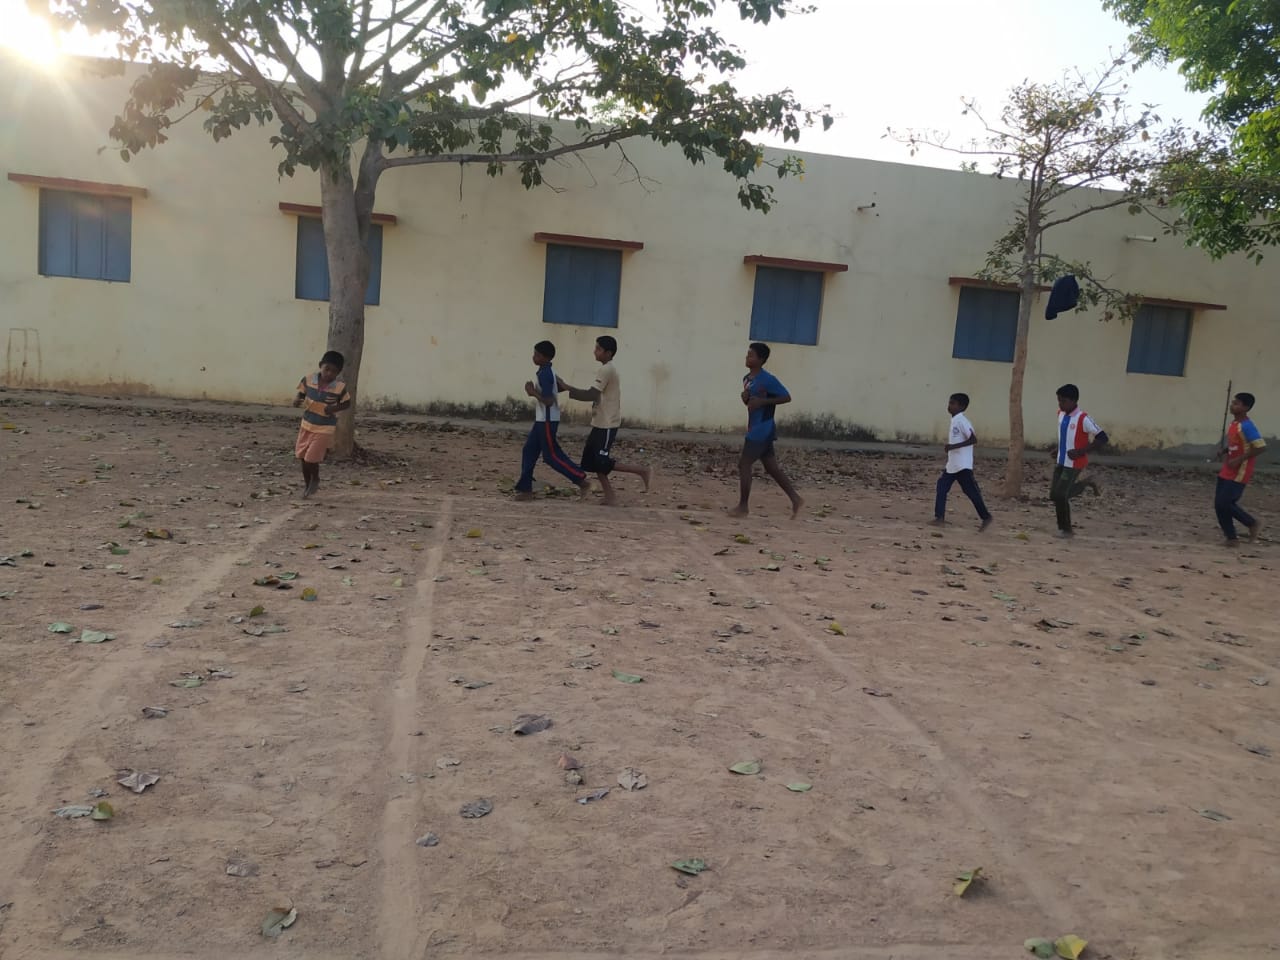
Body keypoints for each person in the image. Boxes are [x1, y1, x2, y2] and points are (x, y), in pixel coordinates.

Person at [556, 335, 653, 506]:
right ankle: (610, 496)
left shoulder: (607, 370)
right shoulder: (605, 369)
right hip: (600, 422)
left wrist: (567, 387)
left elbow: (591, 394)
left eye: (598, 349)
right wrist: (567, 388)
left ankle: (642, 471)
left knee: (601, 461)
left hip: (608, 423)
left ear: (608, 353)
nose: (595, 351)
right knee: (591, 461)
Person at [729, 342, 803, 518]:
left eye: (751, 355)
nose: (747, 357)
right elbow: (751, 403)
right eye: (747, 354)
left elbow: (786, 397)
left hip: (762, 428)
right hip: (756, 426)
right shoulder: (747, 379)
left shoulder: (768, 379)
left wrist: (763, 402)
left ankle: (743, 507)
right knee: (771, 468)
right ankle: (796, 499)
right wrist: (745, 398)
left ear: (761, 359)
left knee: (744, 464)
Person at [514, 340, 591, 501]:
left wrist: (532, 392)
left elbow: (548, 401)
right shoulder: (546, 371)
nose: (534, 357)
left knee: (551, 456)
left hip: (547, 420)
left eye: (537, 355)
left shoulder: (545, 374)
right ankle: (525, 489)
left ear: (545, 357)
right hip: (542, 419)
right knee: (529, 450)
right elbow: (556, 388)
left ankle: (581, 480)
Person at [1048, 384, 1108, 537]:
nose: (1060, 404)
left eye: (1064, 401)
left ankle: (1066, 529)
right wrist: (1058, 449)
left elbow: (1102, 437)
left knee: (1061, 495)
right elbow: (1065, 436)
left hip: (1074, 464)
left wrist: (1081, 451)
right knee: (1054, 495)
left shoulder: (1083, 418)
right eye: (1059, 401)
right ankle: (1086, 483)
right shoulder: (1060, 414)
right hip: (1061, 460)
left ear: (1074, 401)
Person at [292, 349, 351, 498]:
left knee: (311, 458)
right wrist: (297, 400)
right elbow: (301, 393)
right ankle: (308, 485)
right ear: (320, 366)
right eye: (327, 369)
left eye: (334, 371)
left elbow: (347, 403)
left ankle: (316, 478)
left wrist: (333, 408)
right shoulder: (308, 380)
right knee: (302, 456)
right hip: (307, 424)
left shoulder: (339, 388)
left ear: (338, 372)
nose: (329, 373)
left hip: (324, 427)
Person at [929, 392, 993, 530]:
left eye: (953, 403)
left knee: (971, 492)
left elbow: (973, 439)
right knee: (941, 487)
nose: (949, 406)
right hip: (953, 464)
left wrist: (953, 446)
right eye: (949, 403)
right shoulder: (955, 420)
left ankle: (986, 517)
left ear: (962, 406)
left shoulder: (962, 421)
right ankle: (939, 517)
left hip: (963, 465)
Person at [1215, 391, 1265, 546]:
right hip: (1228, 468)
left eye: (1236, 403)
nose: (1232, 405)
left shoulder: (1247, 426)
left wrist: (1239, 459)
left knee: (1225, 503)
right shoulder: (1234, 424)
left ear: (1246, 408)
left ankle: (1251, 523)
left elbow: (1260, 447)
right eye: (1233, 402)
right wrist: (1225, 451)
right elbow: (1237, 443)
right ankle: (1231, 538)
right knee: (1219, 504)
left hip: (1240, 471)